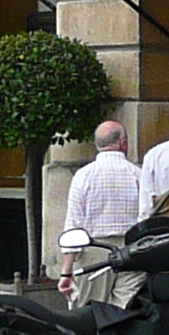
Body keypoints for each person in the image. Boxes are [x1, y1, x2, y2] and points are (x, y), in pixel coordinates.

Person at [60, 118, 144, 308]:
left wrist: (66, 271)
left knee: (91, 313)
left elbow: (73, 224)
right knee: (123, 311)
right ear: (123, 143)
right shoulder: (138, 174)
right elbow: (146, 217)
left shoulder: (83, 176)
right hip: (131, 250)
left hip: (94, 250)